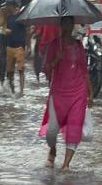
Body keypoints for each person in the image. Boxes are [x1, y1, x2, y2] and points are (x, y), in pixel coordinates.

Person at [39, 16, 93, 172]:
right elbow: (46, 70)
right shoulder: (54, 45)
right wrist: (56, 60)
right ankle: (53, 150)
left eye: (70, 23)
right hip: (58, 92)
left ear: (73, 25)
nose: (68, 27)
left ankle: (66, 164)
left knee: (75, 127)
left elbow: (84, 70)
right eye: (65, 24)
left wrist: (90, 93)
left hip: (78, 92)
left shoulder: (78, 45)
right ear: (61, 25)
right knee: (51, 132)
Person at [4, 0, 25, 96]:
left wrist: (28, 46)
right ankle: (11, 91)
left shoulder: (21, 16)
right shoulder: (8, 17)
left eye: (7, 6)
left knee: (21, 70)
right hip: (9, 46)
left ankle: (21, 91)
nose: (5, 8)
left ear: (11, 6)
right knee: (9, 71)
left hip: (19, 47)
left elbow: (27, 30)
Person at [0, 5, 10, 87]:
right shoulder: (12, 13)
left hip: (3, 36)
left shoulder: (3, 11)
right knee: (7, 57)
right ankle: (7, 77)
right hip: (10, 37)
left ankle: (1, 77)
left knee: (2, 57)